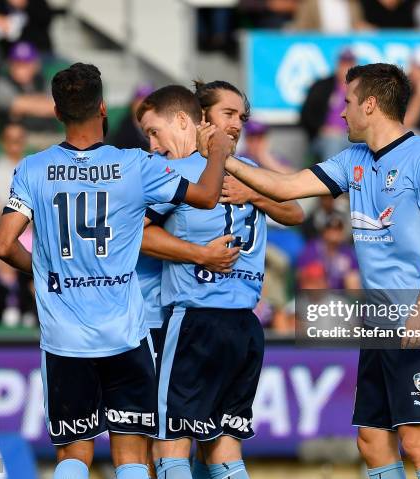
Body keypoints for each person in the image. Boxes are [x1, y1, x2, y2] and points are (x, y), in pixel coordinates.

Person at [0, 63, 232, 479]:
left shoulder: (33, 169)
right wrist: (216, 152)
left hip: (64, 338)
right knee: (131, 460)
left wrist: (47, 271)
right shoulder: (135, 165)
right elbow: (209, 196)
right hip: (125, 334)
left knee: (73, 458)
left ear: (55, 112)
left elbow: (3, 244)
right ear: (103, 108)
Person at [224, 63, 420, 479]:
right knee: (372, 439)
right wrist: (225, 160)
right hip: (381, 318)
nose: (341, 112)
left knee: (418, 440)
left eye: (348, 102)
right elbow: (287, 187)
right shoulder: (353, 158)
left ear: (370, 105)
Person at [137, 83, 303, 479]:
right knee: (223, 450)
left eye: (242, 117)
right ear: (202, 118)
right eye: (228, 114)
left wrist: (252, 194)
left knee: (170, 443)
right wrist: (255, 192)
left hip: (197, 319)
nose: (238, 124)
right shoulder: (251, 173)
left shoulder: (187, 173)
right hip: (243, 326)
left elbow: (136, 234)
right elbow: (294, 211)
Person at [300, 48, 356, 162]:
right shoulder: (321, 86)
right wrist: (321, 128)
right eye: (344, 63)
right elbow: (306, 115)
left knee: (365, 144)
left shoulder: (361, 89)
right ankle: (330, 179)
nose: (347, 68)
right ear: (338, 65)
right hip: (324, 138)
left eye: (350, 63)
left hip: (353, 136)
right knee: (333, 141)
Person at [0, 122, 27, 207]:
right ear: (2, 141)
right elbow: (2, 202)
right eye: (10, 138)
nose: (15, 141)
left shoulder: (35, 166)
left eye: (19, 138)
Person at [107, 85, 153, 151]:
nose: (142, 106)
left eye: (147, 102)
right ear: (133, 104)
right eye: (139, 101)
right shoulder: (124, 129)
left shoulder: (162, 127)